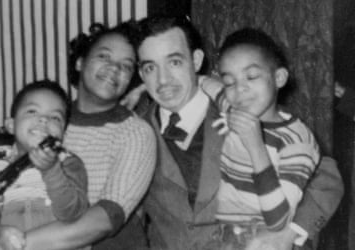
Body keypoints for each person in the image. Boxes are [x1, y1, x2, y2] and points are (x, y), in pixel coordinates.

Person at [135, 16, 343, 250]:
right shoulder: (134, 132)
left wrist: (291, 232)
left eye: (174, 62)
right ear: (142, 75)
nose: (163, 80)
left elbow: (327, 179)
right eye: (150, 67)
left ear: (195, 60)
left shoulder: (246, 108)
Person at [0, 21, 157, 250]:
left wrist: (18, 244)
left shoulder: (136, 133)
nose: (114, 68)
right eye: (104, 56)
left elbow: (104, 220)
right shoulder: (46, 121)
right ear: (80, 62)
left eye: (126, 66)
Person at [203, 28, 320, 250]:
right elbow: (208, 84)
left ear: (279, 78)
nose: (240, 88)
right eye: (230, 81)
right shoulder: (233, 109)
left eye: (252, 76)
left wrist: (255, 145)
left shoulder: (297, 141)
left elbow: (279, 221)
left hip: (270, 241)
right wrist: (142, 89)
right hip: (225, 238)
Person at [0, 80, 88, 250]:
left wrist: (51, 170)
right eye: (32, 111)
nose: (44, 119)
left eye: (55, 117)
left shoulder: (69, 163)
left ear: (63, 133)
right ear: (11, 125)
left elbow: (74, 213)